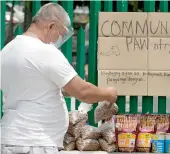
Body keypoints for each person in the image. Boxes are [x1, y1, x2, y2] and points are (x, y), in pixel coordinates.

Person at [1, 3, 117, 154]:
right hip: (34, 143)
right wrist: (108, 93)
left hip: (8, 138)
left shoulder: (6, 51)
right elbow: (83, 92)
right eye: (61, 33)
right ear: (50, 26)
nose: (60, 39)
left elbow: (30, 86)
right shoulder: (44, 51)